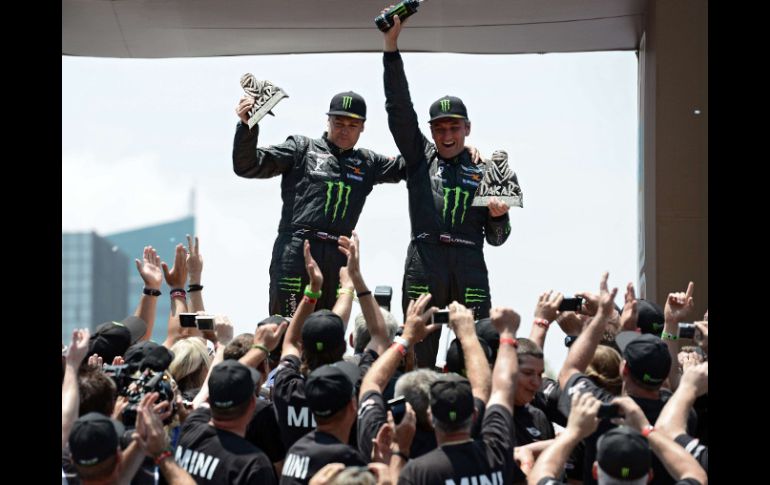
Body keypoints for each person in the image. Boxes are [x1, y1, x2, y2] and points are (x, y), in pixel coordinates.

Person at [380, 13, 512, 368]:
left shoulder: (488, 168)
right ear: (431, 131)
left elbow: (498, 239)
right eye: (439, 129)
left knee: (481, 348)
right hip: (425, 261)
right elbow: (399, 111)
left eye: (454, 127)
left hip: (470, 262)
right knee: (419, 350)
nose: (447, 136)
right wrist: (391, 49)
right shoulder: (420, 156)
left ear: (467, 128)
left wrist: (500, 217)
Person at [233, 90, 406, 317]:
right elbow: (247, 165)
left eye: (352, 125)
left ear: (363, 127)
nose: (344, 130)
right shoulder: (301, 148)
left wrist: (461, 154)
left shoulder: (368, 162)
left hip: (338, 256)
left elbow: (412, 164)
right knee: (285, 327)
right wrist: (247, 126)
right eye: (338, 122)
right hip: (296, 253)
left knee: (329, 331)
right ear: (328, 120)